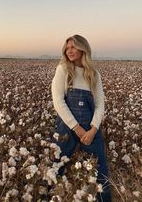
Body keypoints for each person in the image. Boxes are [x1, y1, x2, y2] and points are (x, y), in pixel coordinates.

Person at [51, 34, 112, 202]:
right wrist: (76, 128)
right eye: (67, 47)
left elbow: (100, 105)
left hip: (90, 129)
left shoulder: (94, 74)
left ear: (83, 48)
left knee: (101, 172)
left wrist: (93, 129)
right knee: (55, 167)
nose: (69, 50)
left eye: (73, 47)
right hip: (67, 128)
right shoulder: (63, 69)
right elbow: (58, 101)